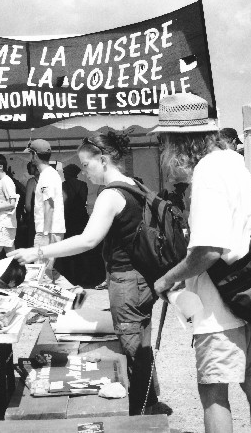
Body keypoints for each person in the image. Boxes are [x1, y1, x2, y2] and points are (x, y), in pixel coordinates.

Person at [152, 93, 251, 433]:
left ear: (178, 141)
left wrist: (168, 278)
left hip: (217, 302)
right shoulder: (236, 163)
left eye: (165, 141)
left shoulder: (206, 173)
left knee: (214, 393)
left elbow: (206, 250)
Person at [9, 132, 158, 415]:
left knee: (133, 352)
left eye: (87, 165)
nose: (85, 174)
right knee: (142, 347)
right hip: (141, 278)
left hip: (126, 281)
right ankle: (148, 406)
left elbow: (88, 240)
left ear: (102, 159)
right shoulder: (134, 185)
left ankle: (139, 421)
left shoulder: (110, 194)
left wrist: (39, 252)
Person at [26, 139, 65, 281]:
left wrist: (45, 234)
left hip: (48, 230)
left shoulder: (46, 176)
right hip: (53, 229)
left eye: (30, 154)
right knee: (47, 271)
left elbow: (49, 205)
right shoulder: (51, 174)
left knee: (41, 273)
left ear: (34, 155)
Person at [59, 163, 90, 284]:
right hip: (81, 219)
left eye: (65, 172)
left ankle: (70, 276)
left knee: (69, 248)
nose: (64, 174)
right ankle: (85, 276)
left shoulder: (63, 186)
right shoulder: (83, 185)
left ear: (69, 173)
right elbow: (83, 201)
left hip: (68, 220)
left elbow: (63, 203)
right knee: (82, 249)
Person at [24, 161, 40, 247]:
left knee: (34, 242)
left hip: (35, 216)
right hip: (48, 215)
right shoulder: (49, 179)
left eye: (30, 167)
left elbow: (27, 204)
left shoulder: (32, 182)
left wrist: (29, 214)